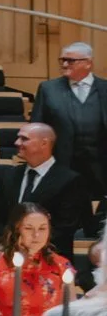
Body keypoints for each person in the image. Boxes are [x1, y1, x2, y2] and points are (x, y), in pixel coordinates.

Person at [0, 122, 95, 267]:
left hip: (50, 261)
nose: (17, 142)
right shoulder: (10, 176)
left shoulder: (71, 180)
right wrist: (10, 246)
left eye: (24, 139)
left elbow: (65, 227)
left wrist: (30, 248)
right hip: (7, 259)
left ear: (44, 143)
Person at [35, 41, 106, 203]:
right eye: (62, 60)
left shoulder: (105, 89)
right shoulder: (48, 89)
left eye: (71, 60)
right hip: (62, 163)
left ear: (88, 63)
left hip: (100, 166)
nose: (65, 64)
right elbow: (38, 127)